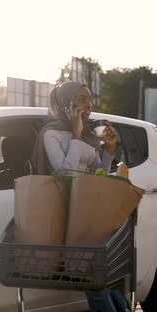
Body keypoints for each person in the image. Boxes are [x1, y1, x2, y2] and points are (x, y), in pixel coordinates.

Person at [31, 81, 126, 312]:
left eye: (90, 99)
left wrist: (109, 150)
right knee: (95, 283)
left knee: (106, 282)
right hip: (67, 217)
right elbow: (65, 175)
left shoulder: (88, 135)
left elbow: (97, 175)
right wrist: (75, 134)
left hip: (90, 216)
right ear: (65, 102)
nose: (88, 105)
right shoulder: (51, 134)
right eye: (81, 99)